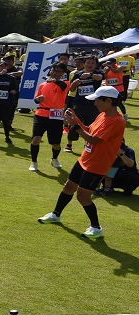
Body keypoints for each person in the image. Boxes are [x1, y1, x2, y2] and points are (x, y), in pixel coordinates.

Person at [37, 85, 126, 238]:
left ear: (109, 101)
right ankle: (56, 214)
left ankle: (96, 228)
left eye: (98, 100)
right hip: (85, 158)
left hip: (98, 164)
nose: (95, 103)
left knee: (82, 196)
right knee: (68, 186)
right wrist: (76, 120)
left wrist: (75, 126)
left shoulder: (117, 121)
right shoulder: (102, 115)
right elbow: (89, 131)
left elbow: (94, 140)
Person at [30, 62, 68, 171]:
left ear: (63, 73)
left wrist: (55, 81)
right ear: (50, 71)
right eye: (54, 70)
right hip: (41, 114)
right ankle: (34, 162)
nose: (55, 73)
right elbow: (36, 99)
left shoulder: (64, 83)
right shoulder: (43, 84)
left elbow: (63, 86)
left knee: (56, 144)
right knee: (35, 139)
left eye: (59, 71)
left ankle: (54, 158)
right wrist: (38, 99)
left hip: (56, 116)